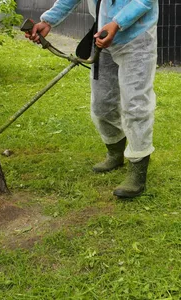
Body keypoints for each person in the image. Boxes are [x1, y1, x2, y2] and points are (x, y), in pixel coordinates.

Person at [25, 0, 158, 198]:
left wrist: (117, 23)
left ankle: (137, 169)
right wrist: (49, 21)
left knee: (135, 105)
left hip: (137, 38)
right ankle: (115, 152)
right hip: (103, 38)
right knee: (102, 104)